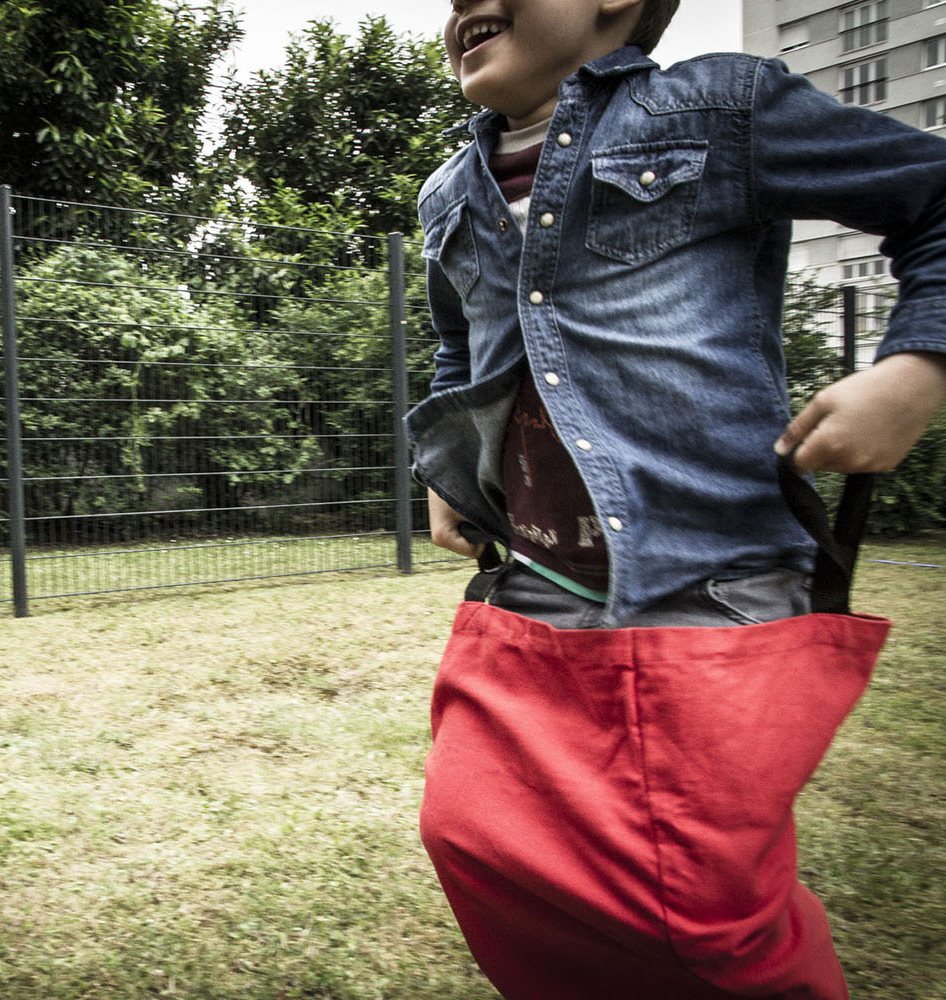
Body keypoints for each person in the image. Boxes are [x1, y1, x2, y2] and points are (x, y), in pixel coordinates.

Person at [408, 0, 946, 996]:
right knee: (474, 831)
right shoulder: (449, 192)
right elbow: (460, 346)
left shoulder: (719, 108)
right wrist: (447, 469)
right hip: (537, 578)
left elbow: (936, 200)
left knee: (695, 904)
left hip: (710, 577)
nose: (461, 3)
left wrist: (916, 367)